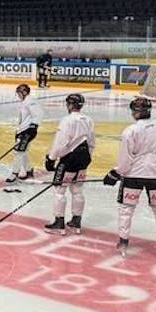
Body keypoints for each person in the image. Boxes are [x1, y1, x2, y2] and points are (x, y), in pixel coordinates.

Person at [102, 97, 156, 258]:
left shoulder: (130, 131)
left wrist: (114, 174)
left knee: (126, 209)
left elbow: (125, 159)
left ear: (135, 112)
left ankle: (123, 241)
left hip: (134, 175)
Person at [44, 93, 96, 235]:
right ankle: (76, 221)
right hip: (84, 157)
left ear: (70, 105)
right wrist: (87, 159)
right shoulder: (88, 120)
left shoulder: (67, 120)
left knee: (59, 190)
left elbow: (61, 142)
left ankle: (59, 223)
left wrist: (51, 158)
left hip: (70, 158)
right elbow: (92, 142)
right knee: (77, 189)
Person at [8, 83, 43, 183]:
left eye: (19, 93)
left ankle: (14, 173)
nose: (18, 95)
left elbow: (39, 114)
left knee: (19, 152)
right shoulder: (24, 102)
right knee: (23, 152)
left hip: (27, 131)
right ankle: (29, 171)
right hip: (22, 130)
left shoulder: (30, 101)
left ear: (24, 92)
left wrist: (32, 127)